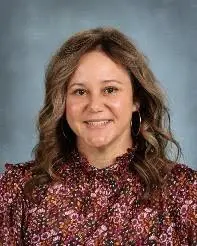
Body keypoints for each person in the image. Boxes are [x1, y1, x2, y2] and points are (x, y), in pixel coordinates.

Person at [0, 27, 196, 245]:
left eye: (110, 89)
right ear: (62, 103)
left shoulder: (184, 192)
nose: (94, 106)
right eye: (80, 91)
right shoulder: (19, 190)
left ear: (136, 100)